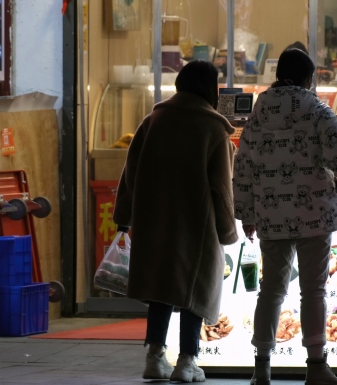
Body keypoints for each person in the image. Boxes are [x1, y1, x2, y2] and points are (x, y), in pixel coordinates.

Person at [232, 48, 337, 385]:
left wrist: (246, 214)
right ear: (309, 78)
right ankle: (317, 367)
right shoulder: (317, 110)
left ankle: (261, 369)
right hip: (315, 214)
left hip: (271, 214)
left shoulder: (258, 113)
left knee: (271, 290)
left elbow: (242, 167)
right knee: (313, 292)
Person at [113, 60, 239, 383]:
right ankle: (187, 361)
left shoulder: (154, 119)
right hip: (198, 223)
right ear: (211, 89)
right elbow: (222, 189)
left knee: (162, 287)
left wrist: (123, 217)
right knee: (196, 288)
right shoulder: (214, 129)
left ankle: (155, 356)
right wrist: (227, 231)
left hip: (155, 219)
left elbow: (131, 173)